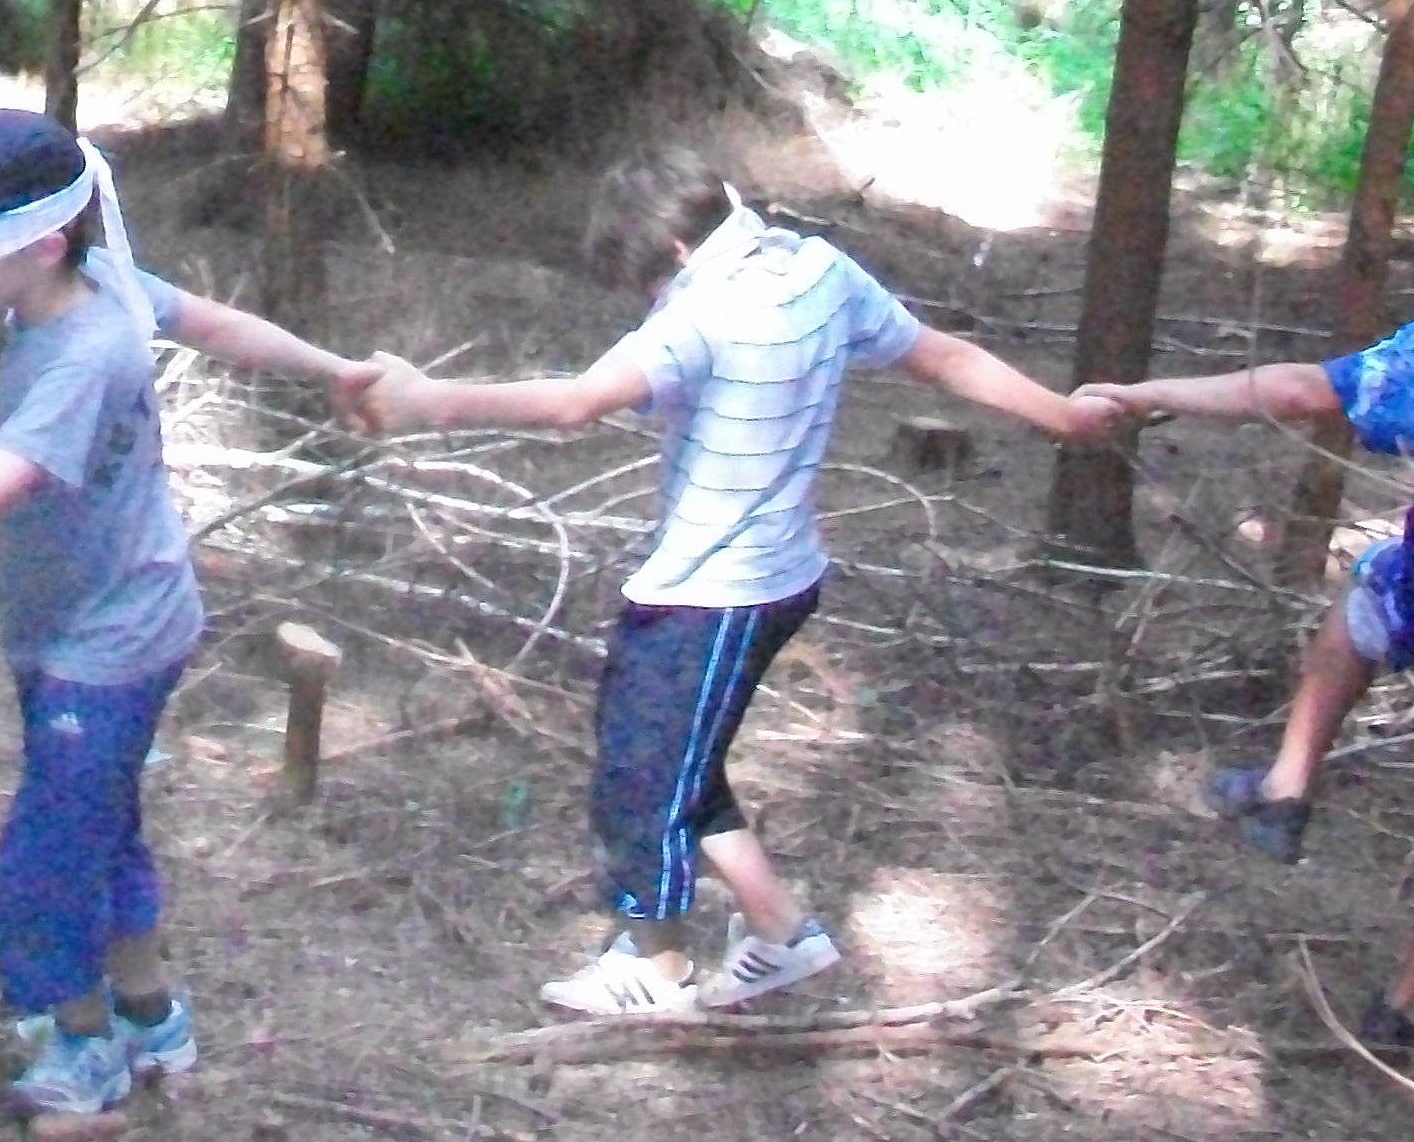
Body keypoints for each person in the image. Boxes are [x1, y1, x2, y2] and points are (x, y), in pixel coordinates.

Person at [348, 157, 1106, 1019]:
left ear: (677, 248)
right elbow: (942, 357)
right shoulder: (820, 271)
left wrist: (430, 400)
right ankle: (781, 933)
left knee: (640, 779)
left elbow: (575, 404)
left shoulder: (701, 315)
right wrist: (1062, 414)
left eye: (649, 279)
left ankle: (653, 962)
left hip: (712, 594)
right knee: (682, 764)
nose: (650, 298)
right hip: (775, 578)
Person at [1075, 116, 1414, 1064]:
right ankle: (1404, 1005)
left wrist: (1149, 393)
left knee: (1366, 598)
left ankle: (1289, 784)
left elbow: (1303, 392)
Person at [0, 108, 364, 1120]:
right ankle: (149, 1014)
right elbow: (215, 325)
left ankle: (81, 1043)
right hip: (85, 619)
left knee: (47, 860)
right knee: (102, 826)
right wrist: (335, 370)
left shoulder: (83, 353)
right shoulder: (97, 281)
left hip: (108, 642)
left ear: (43, 244)